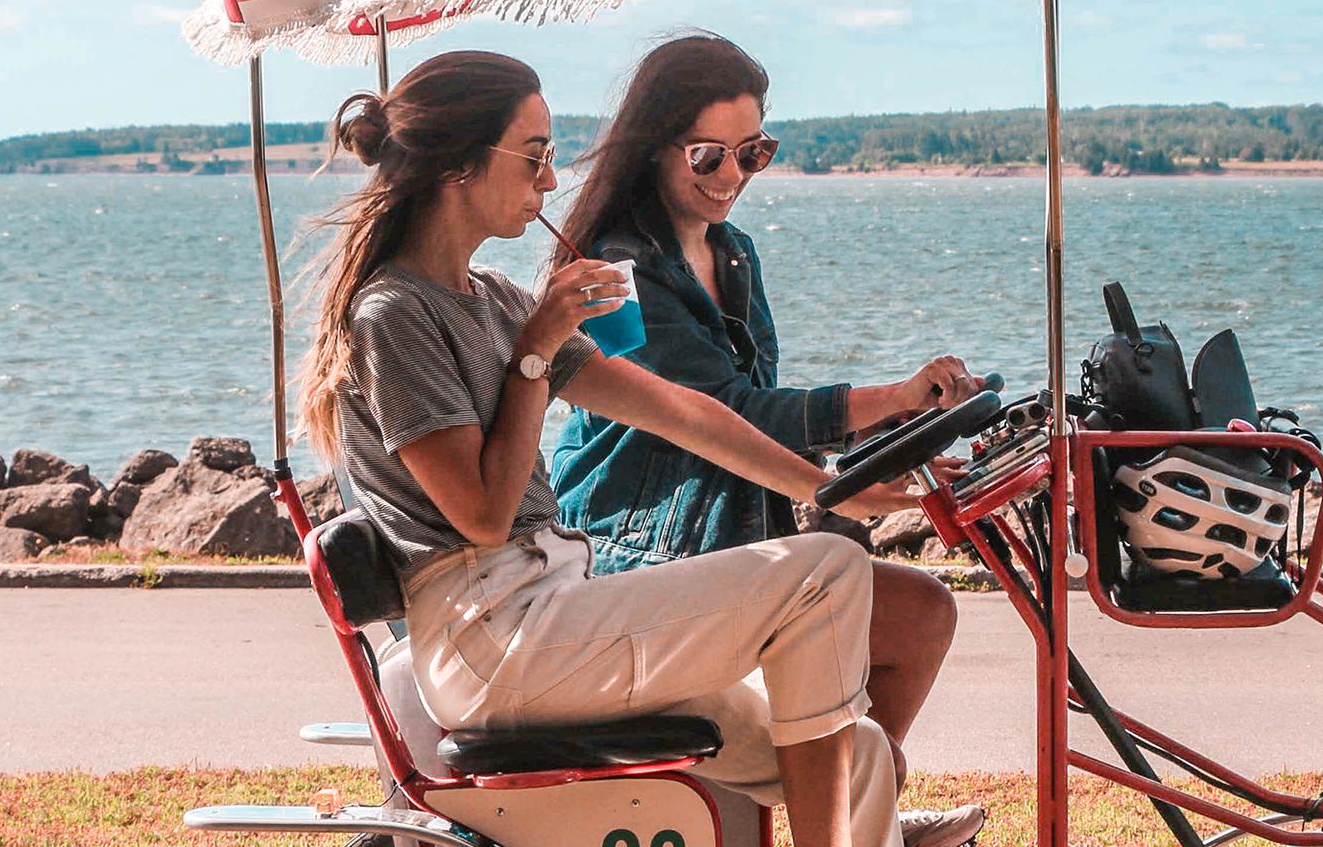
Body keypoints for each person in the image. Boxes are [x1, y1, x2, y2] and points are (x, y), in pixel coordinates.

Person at [295, 49, 917, 847]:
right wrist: (533, 355)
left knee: (860, 750)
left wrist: (827, 490)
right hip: (493, 637)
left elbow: (686, 414)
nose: (550, 181)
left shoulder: (494, 299)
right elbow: (482, 517)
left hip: (554, 608)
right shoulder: (395, 315)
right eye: (534, 156)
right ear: (458, 164)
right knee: (827, 572)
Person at [548, 33, 986, 847]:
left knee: (922, 612)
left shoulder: (734, 255)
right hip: (636, 556)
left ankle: (868, 809)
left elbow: (764, 405)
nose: (732, 180)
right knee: (859, 583)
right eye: (710, 156)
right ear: (654, 148)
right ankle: (861, 817)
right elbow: (720, 410)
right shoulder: (612, 270)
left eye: (754, 153)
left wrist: (897, 424)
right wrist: (882, 403)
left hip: (731, 541)